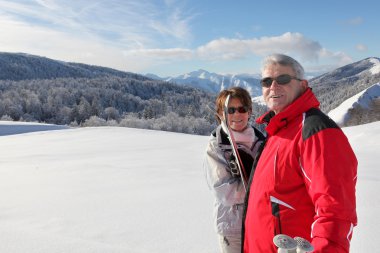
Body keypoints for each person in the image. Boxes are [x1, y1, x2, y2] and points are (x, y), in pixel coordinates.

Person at [242, 54, 357, 253]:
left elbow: (335, 212)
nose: (273, 86)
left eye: (283, 79)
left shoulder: (316, 132)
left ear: (302, 85)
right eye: (267, 81)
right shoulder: (278, 130)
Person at [204, 87, 265, 253]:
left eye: (242, 109)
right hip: (232, 228)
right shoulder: (217, 145)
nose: (237, 115)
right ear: (220, 114)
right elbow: (224, 192)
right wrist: (261, 187)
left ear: (249, 112)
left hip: (261, 224)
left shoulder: (262, 141)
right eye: (230, 110)